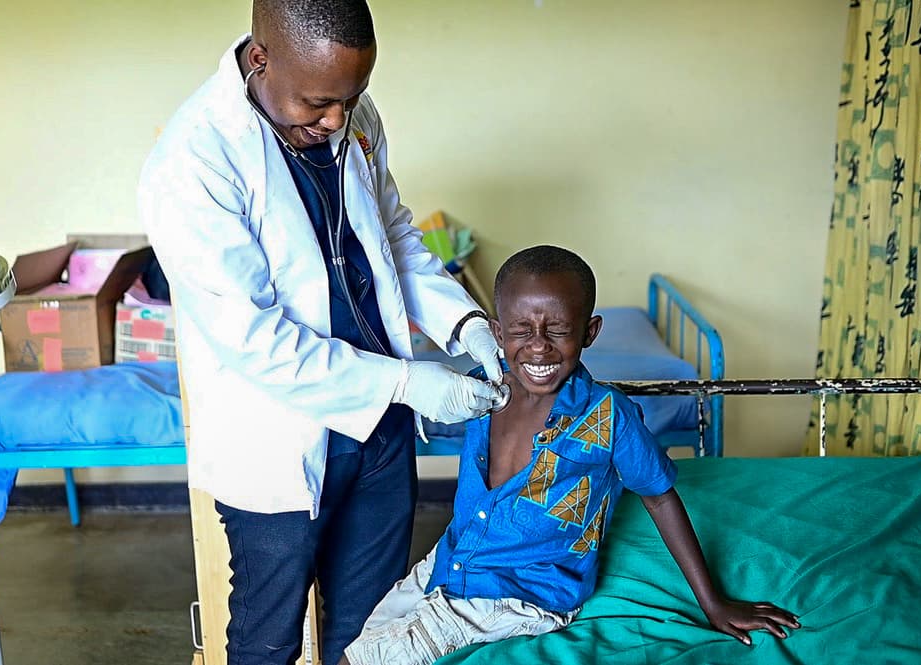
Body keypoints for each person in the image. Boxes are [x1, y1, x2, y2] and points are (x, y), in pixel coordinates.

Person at [137, 1, 505, 663]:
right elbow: (255, 338)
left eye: (352, 96)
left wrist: (466, 322)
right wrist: (407, 379)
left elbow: (394, 237)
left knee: (370, 633)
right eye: (318, 103)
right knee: (267, 636)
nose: (338, 119)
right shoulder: (194, 159)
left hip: (381, 433)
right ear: (260, 59)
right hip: (278, 436)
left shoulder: (352, 116)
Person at [341, 245, 802, 664]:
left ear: (590, 331)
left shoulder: (607, 417)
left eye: (558, 330)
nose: (539, 345)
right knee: (362, 640)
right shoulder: (482, 390)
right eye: (522, 329)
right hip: (451, 560)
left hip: (517, 595)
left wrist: (713, 602)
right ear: (497, 333)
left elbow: (660, 497)